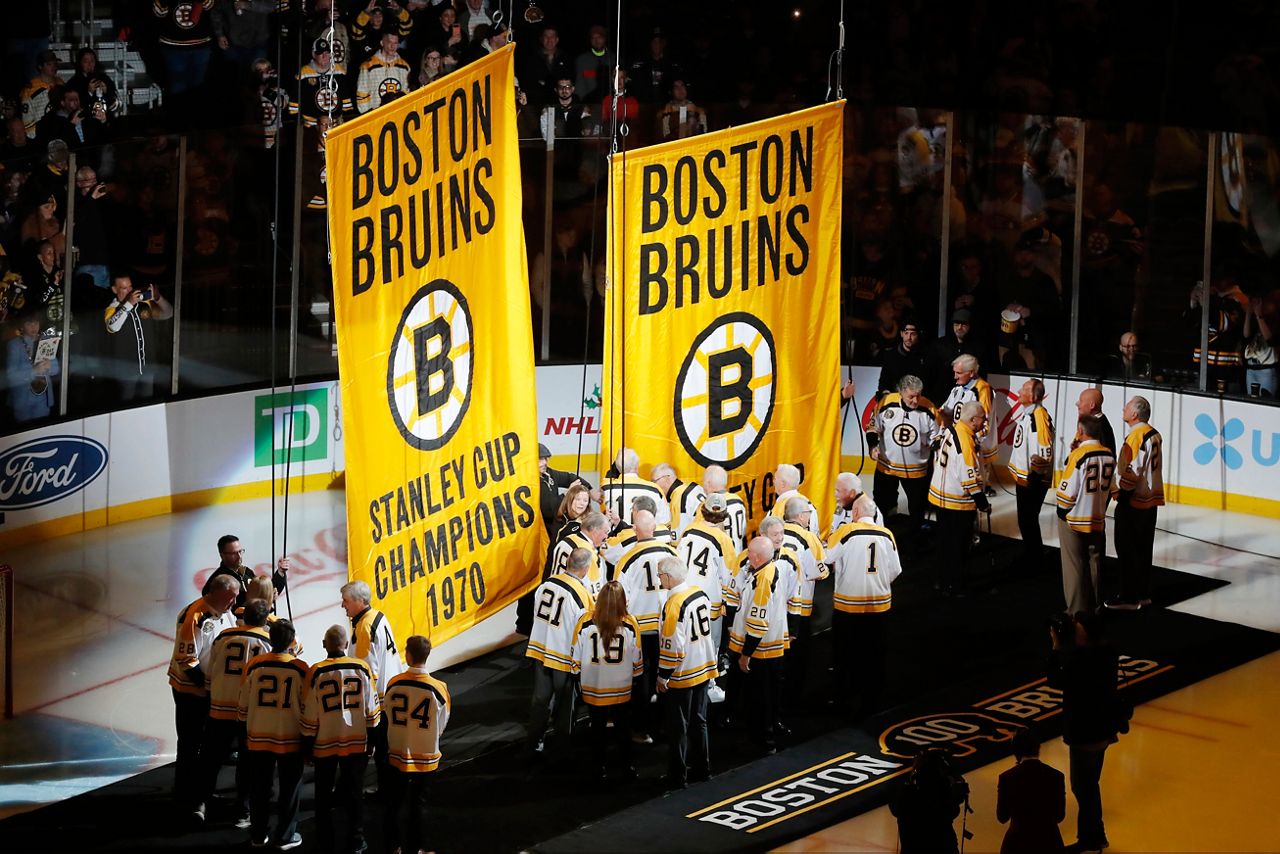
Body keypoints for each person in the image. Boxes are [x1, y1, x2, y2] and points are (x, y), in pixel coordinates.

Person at [301, 624, 381, 854]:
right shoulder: (362, 668)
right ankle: (356, 839)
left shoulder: (316, 671)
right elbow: (372, 711)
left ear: (324, 644)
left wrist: (307, 747)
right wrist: (373, 742)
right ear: (346, 645)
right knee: (355, 793)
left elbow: (310, 715)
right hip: (355, 741)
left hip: (325, 742)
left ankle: (325, 841)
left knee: (323, 794)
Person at [1048, 611, 1123, 854]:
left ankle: (1091, 838)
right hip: (1103, 730)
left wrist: (1057, 646)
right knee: (1090, 785)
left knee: (1083, 787)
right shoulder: (1107, 652)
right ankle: (1093, 836)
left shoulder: (1081, 660)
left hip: (1085, 733)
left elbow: (1055, 679)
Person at [169, 573, 240, 822]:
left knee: (208, 746)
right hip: (191, 693)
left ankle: (199, 793)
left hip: (209, 692)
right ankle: (184, 796)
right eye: (231, 597)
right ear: (218, 592)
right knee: (190, 744)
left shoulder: (223, 611)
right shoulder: (196, 616)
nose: (233, 602)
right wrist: (209, 688)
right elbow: (186, 660)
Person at [824, 495, 902, 716]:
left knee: (845, 653)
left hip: (848, 606)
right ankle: (873, 700)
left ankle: (843, 698)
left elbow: (827, 557)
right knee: (876, 653)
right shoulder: (887, 534)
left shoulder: (846, 531)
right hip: (879, 606)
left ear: (855, 513)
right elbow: (895, 570)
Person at [200, 599, 272, 827]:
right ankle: (243, 810)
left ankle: (199, 803)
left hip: (220, 706)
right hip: (248, 712)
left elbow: (210, 673)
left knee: (211, 758)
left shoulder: (223, 636)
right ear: (264, 619)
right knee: (247, 762)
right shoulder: (268, 642)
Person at [237, 619, 308, 850]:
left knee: (259, 787)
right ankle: (286, 836)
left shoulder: (254, 665)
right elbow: (308, 705)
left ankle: (258, 835)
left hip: (258, 735)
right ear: (291, 641)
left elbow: (243, 705)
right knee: (290, 787)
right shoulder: (301, 668)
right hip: (290, 736)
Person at [382, 635, 451, 854]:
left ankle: (393, 847)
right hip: (425, 755)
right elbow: (441, 726)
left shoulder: (394, 683)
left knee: (393, 803)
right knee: (417, 804)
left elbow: (386, 716)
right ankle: (416, 849)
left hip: (397, 751)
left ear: (408, 654)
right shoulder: (439, 689)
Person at [615, 509, 678, 744]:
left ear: (634, 529)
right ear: (654, 527)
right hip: (665, 626)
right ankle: (664, 726)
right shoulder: (671, 551)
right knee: (666, 675)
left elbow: (621, 597)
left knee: (641, 678)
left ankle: (640, 730)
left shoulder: (627, 557)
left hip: (639, 628)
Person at [570, 581, 642, 780]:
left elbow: (575, 658)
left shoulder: (585, 621)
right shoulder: (630, 622)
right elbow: (637, 660)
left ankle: (598, 768)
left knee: (597, 729)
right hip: (621, 686)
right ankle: (627, 767)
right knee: (623, 728)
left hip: (594, 686)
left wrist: (577, 676)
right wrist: (635, 678)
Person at [527, 546, 595, 756]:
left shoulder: (546, 584)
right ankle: (561, 749)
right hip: (564, 658)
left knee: (540, 701)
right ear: (585, 569)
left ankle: (533, 744)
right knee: (565, 708)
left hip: (540, 650)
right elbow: (584, 631)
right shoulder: (582, 594)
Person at [656, 557, 716, 789]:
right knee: (699, 721)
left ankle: (678, 776)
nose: (659, 579)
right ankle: (703, 768)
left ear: (669, 577)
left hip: (683, 673)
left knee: (678, 726)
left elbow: (672, 646)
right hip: (703, 666)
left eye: (661, 575)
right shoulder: (699, 594)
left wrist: (663, 676)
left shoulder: (673, 604)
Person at [727, 537, 788, 754]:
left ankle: (764, 740)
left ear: (758, 557)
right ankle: (766, 735)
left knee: (761, 697)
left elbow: (758, 622)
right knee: (768, 694)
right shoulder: (770, 570)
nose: (747, 555)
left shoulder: (762, 580)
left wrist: (746, 654)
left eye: (750, 552)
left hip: (762, 651)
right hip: (772, 646)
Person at [342, 579, 403, 794]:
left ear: (359, 601)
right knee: (387, 746)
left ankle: (386, 790)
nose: (343, 605)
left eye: (346, 601)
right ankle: (390, 787)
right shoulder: (378, 615)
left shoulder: (364, 627)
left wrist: (367, 708)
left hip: (380, 700)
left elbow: (368, 672)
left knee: (380, 749)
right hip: (393, 689)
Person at [676, 493, 736, 702]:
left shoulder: (689, 530)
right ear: (724, 516)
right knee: (711, 645)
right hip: (709, 600)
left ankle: (678, 680)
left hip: (683, 595)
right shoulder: (724, 540)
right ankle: (708, 687)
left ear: (703, 510)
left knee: (683, 641)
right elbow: (729, 575)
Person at [1107, 396, 1164, 610]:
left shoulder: (1137, 436)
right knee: (1143, 548)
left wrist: (1122, 491)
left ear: (1134, 414)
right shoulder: (1154, 433)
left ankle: (1129, 596)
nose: (1123, 408)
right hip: (1150, 501)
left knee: (1126, 547)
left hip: (1134, 501)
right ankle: (1142, 593)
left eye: (1127, 406)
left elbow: (1134, 469)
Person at [928, 401, 990, 596]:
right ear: (973, 420)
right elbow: (969, 477)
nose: (984, 422)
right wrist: (982, 503)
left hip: (940, 496)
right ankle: (955, 585)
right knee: (959, 545)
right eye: (982, 418)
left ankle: (941, 580)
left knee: (944, 543)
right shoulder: (965, 440)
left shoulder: (953, 429)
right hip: (957, 502)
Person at [1056, 417, 1115, 615]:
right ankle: (1096, 605)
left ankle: (1076, 610)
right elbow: (1114, 488)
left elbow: (1068, 492)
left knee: (1073, 564)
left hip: (1075, 518)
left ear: (1081, 432)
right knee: (1095, 561)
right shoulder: (1109, 455)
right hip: (1097, 516)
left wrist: (1061, 511)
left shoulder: (1079, 455)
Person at [868, 374, 940, 532]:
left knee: (917, 507)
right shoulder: (886, 402)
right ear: (900, 393)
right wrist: (873, 446)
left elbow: (936, 438)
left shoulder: (929, 408)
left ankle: (915, 541)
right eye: (911, 397)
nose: (915, 401)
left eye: (918, 396)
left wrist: (933, 446)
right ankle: (881, 533)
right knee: (880, 502)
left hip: (916, 471)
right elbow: (873, 428)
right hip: (886, 466)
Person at [781, 497, 828, 702]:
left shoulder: (774, 530)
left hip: (775, 603)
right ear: (800, 516)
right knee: (798, 657)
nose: (810, 516)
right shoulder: (809, 538)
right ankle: (792, 697)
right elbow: (819, 572)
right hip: (799, 607)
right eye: (808, 513)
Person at [102, 273, 173, 400]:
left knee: (147, 402)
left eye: (130, 287)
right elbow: (113, 326)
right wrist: (129, 304)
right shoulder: (112, 309)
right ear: (114, 290)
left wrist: (158, 298)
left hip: (148, 366)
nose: (129, 291)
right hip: (127, 370)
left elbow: (168, 313)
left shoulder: (144, 304)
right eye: (124, 288)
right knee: (126, 403)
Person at [996, 728, 1066, 854]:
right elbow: (1060, 816)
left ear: (1015, 751)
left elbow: (1002, 817)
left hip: (1017, 843)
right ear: (1038, 748)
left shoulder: (1006, 778)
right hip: (1050, 841)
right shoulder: (1056, 776)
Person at [889, 747, 970, 854]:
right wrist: (953, 772)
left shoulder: (906, 796)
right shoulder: (944, 798)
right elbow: (958, 800)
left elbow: (894, 805)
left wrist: (913, 771)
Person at [1008, 379, 1055, 562]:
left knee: (1028, 520)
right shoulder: (1029, 414)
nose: (1019, 390)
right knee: (1026, 520)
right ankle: (1032, 554)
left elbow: (1045, 452)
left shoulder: (1038, 417)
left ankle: (1034, 558)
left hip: (1031, 481)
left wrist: (1033, 479)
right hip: (1026, 479)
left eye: (1024, 389)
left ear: (1034, 396)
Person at [941, 354, 997, 479]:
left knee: (973, 482)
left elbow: (984, 422)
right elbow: (946, 411)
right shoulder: (959, 388)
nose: (955, 376)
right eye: (954, 372)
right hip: (958, 441)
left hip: (971, 444)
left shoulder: (983, 390)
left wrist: (972, 441)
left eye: (959, 373)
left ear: (971, 373)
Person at [203, 534, 287, 608]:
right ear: (222, 555)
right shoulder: (217, 581)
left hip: (258, 623)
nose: (239, 556)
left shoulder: (247, 572)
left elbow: (264, 592)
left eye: (240, 551)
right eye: (234, 553)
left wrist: (280, 572)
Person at [5, 308, 58, 423]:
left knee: (42, 431)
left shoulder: (47, 341)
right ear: (22, 326)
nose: (34, 326)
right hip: (22, 398)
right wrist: (33, 370)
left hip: (43, 397)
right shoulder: (15, 345)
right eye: (29, 323)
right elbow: (10, 376)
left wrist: (50, 366)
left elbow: (56, 369)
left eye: (36, 322)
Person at [545, 509, 609, 597]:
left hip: (552, 594)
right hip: (573, 601)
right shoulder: (587, 553)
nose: (606, 536)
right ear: (594, 530)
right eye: (605, 532)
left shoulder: (566, 539)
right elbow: (593, 594)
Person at [600, 447, 670, 527]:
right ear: (637, 466)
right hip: (646, 537)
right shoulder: (654, 489)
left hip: (615, 537)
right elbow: (664, 521)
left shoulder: (605, 487)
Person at [291, 38, 352, 128]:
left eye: (327, 53)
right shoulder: (303, 73)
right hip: (311, 125)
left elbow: (346, 98)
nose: (324, 56)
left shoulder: (339, 71)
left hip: (335, 125)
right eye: (320, 53)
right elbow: (294, 103)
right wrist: (296, 122)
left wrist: (348, 121)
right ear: (314, 54)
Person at [537, 442, 589, 537]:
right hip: (543, 532)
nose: (545, 462)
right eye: (540, 459)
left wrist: (591, 490)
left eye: (546, 458)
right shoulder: (530, 483)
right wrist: (567, 493)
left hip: (555, 524)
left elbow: (570, 478)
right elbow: (548, 510)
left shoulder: (548, 473)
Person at [356, 31, 411, 113]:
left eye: (395, 43)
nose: (392, 46)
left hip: (397, 114)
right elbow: (362, 95)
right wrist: (368, 116)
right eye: (389, 42)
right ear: (382, 43)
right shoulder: (368, 66)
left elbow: (406, 93)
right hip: (376, 116)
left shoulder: (404, 67)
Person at [878, 317, 934, 396]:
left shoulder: (926, 357)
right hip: (896, 400)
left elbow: (932, 383)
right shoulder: (891, 356)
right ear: (901, 334)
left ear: (918, 335)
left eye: (913, 334)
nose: (909, 338)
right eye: (906, 333)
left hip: (918, 400)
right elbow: (883, 382)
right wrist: (885, 393)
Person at [702, 464, 747, 551]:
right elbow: (744, 530)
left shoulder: (709, 506)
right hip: (738, 555)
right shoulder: (738, 500)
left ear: (708, 483)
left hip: (721, 557)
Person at [652, 462, 705, 534]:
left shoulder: (678, 498)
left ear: (667, 478)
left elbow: (678, 537)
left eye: (654, 481)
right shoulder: (694, 486)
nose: (654, 485)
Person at [769, 463, 819, 534]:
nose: (773, 481)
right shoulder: (808, 504)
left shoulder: (782, 507)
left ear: (783, 484)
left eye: (775, 479)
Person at [574, 24, 614, 104]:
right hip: (589, 104)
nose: (596, 40)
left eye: (599, 37)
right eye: (593, 38)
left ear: (605, 39)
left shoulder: (614, 59)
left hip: (611, 106)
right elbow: (579, 86)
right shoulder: (582, 60)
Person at [1073, 388, 1116, 454]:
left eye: (1081, 401)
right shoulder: (1091, 423)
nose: (1077, 404)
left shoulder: (1102, 427)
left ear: (1092, 405)